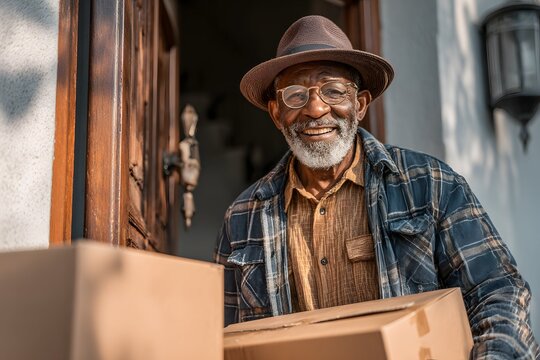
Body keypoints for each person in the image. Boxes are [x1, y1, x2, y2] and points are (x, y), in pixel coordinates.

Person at [214, 15, 539, 358]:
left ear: (360, 104)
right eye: (295, 95)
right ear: (276, 113)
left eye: (334, 91)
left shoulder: (430, 184)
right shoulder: (242, 217)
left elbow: (497, 293)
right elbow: (223, 337)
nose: (315, 108)